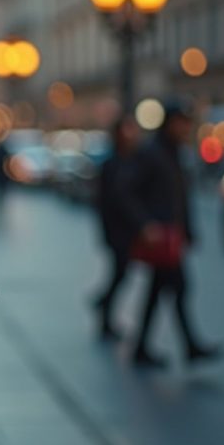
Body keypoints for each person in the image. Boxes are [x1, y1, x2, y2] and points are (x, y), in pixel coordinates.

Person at [118, 101, 224, 368]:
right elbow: (125, 191)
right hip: (160, 237)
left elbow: (179, 197)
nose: (186, 128)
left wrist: (187, 230)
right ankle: (188, 346)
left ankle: (145, 347)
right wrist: (145, 224)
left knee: (160, 292)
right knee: (178, 288)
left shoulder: (175, 154)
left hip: (171, 236)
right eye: (182, 123)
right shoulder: (152, 154)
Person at [92, 115, 141, 341]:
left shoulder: (131, 161)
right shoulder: (112, 164)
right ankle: (103, 307)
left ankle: (102, 303)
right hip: (117, 231)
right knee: (120, 273)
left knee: (120, 274)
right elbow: (109, 200)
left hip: (126, 231)